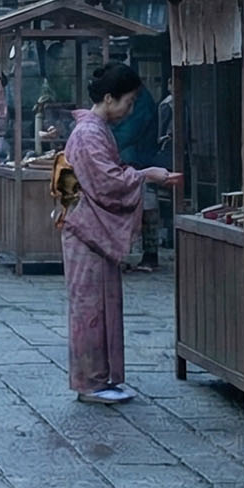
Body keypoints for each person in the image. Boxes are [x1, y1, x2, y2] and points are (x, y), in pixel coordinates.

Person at [58, 62, 182, 405]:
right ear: (109, 98)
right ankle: (90, 380)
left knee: (101, 303)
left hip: (90, 228)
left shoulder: (95, 130)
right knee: (89, 305)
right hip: (85, 228)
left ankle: (101, 377)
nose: (129, 110)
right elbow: (108, 182)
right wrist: (146, 175)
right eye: (127, 102)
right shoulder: (88, 134)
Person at [112, 83, 166, 273]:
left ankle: (148, 254)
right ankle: (137, 254)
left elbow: (129, 131)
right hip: (133, 158)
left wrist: (107, 142)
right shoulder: (136, 99)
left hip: (140, 158)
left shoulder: (139, 102)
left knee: (147, 206)